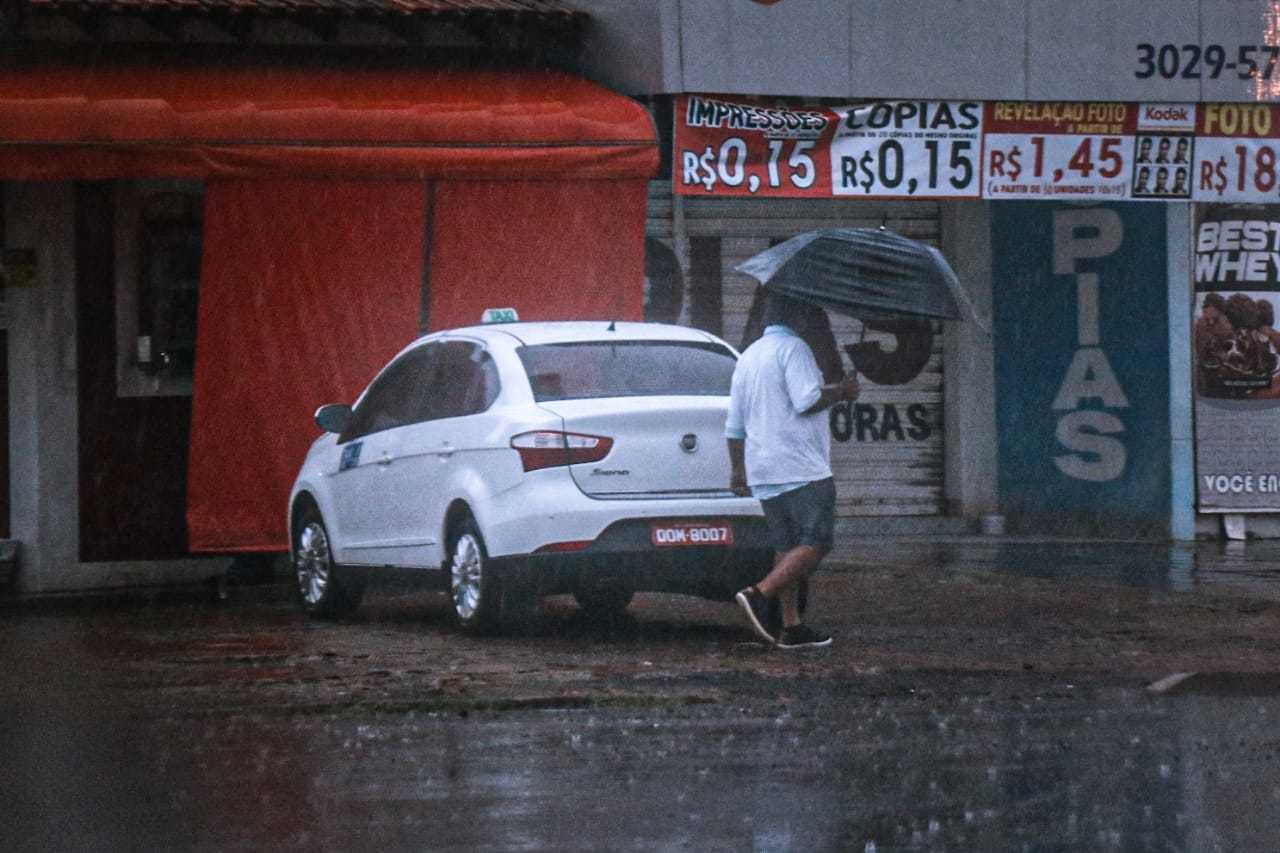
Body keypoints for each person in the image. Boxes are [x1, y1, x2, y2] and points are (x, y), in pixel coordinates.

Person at [725, 291, 859, 649]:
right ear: (800, 317)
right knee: (816, 542)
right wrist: (843, 391)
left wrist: (738, 470)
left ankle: (792, 625)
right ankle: (759, 594)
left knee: (786, 547)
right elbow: (807, 400)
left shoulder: (748, 357)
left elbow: (733, 427)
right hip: (801, 467)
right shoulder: (794, 348)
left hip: (764, 467)